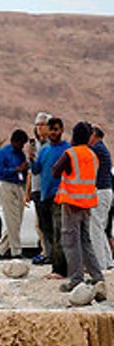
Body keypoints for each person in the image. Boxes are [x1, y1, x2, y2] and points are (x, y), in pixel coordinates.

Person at [52, 121, 104, 294]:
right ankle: (97, 277)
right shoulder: (92, 155)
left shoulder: (71, 154)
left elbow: (55, 171)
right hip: (87, 204)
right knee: (85, 241)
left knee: (71, 243)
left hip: (72, 203)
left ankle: (76, 279)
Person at [31, 117, 70, 278]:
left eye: (56, 129)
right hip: (44, 195)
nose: (53, 133)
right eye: (51, 129)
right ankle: (55, 265)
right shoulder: (45, 150)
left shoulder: (67, 149)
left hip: (60, 196)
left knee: (59, 232)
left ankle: (60, 269)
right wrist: (31, 158)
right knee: (47, 232)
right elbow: (36, 170)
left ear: (61, 130)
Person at [0, 129, 29, 259]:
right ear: (15, 141)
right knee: (12, 219)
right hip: (7, 185)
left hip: (19, 185)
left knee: (16, 220)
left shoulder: (21, 154)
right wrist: (16, 169)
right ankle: (16, 251)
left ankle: (0, 248)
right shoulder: (3, 153)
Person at [87, 126, 113, 269]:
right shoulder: (102, 149)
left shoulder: (96, 150)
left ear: (94, 136)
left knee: (95, 228)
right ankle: (107, 261)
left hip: (100, 191)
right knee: (100, 228)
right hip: (105, 192)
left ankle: (99, 263)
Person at [27, 113, 50, 263]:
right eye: (37, 125)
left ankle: (49, 253)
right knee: (39, 224)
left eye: (42, 124)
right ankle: (45, 250)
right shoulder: (37, 145)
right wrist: (27, 192)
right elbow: (32, 171)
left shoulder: (50, 146)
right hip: (36, 188)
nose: (39, 128)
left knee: (46, 223)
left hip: (46, 188)